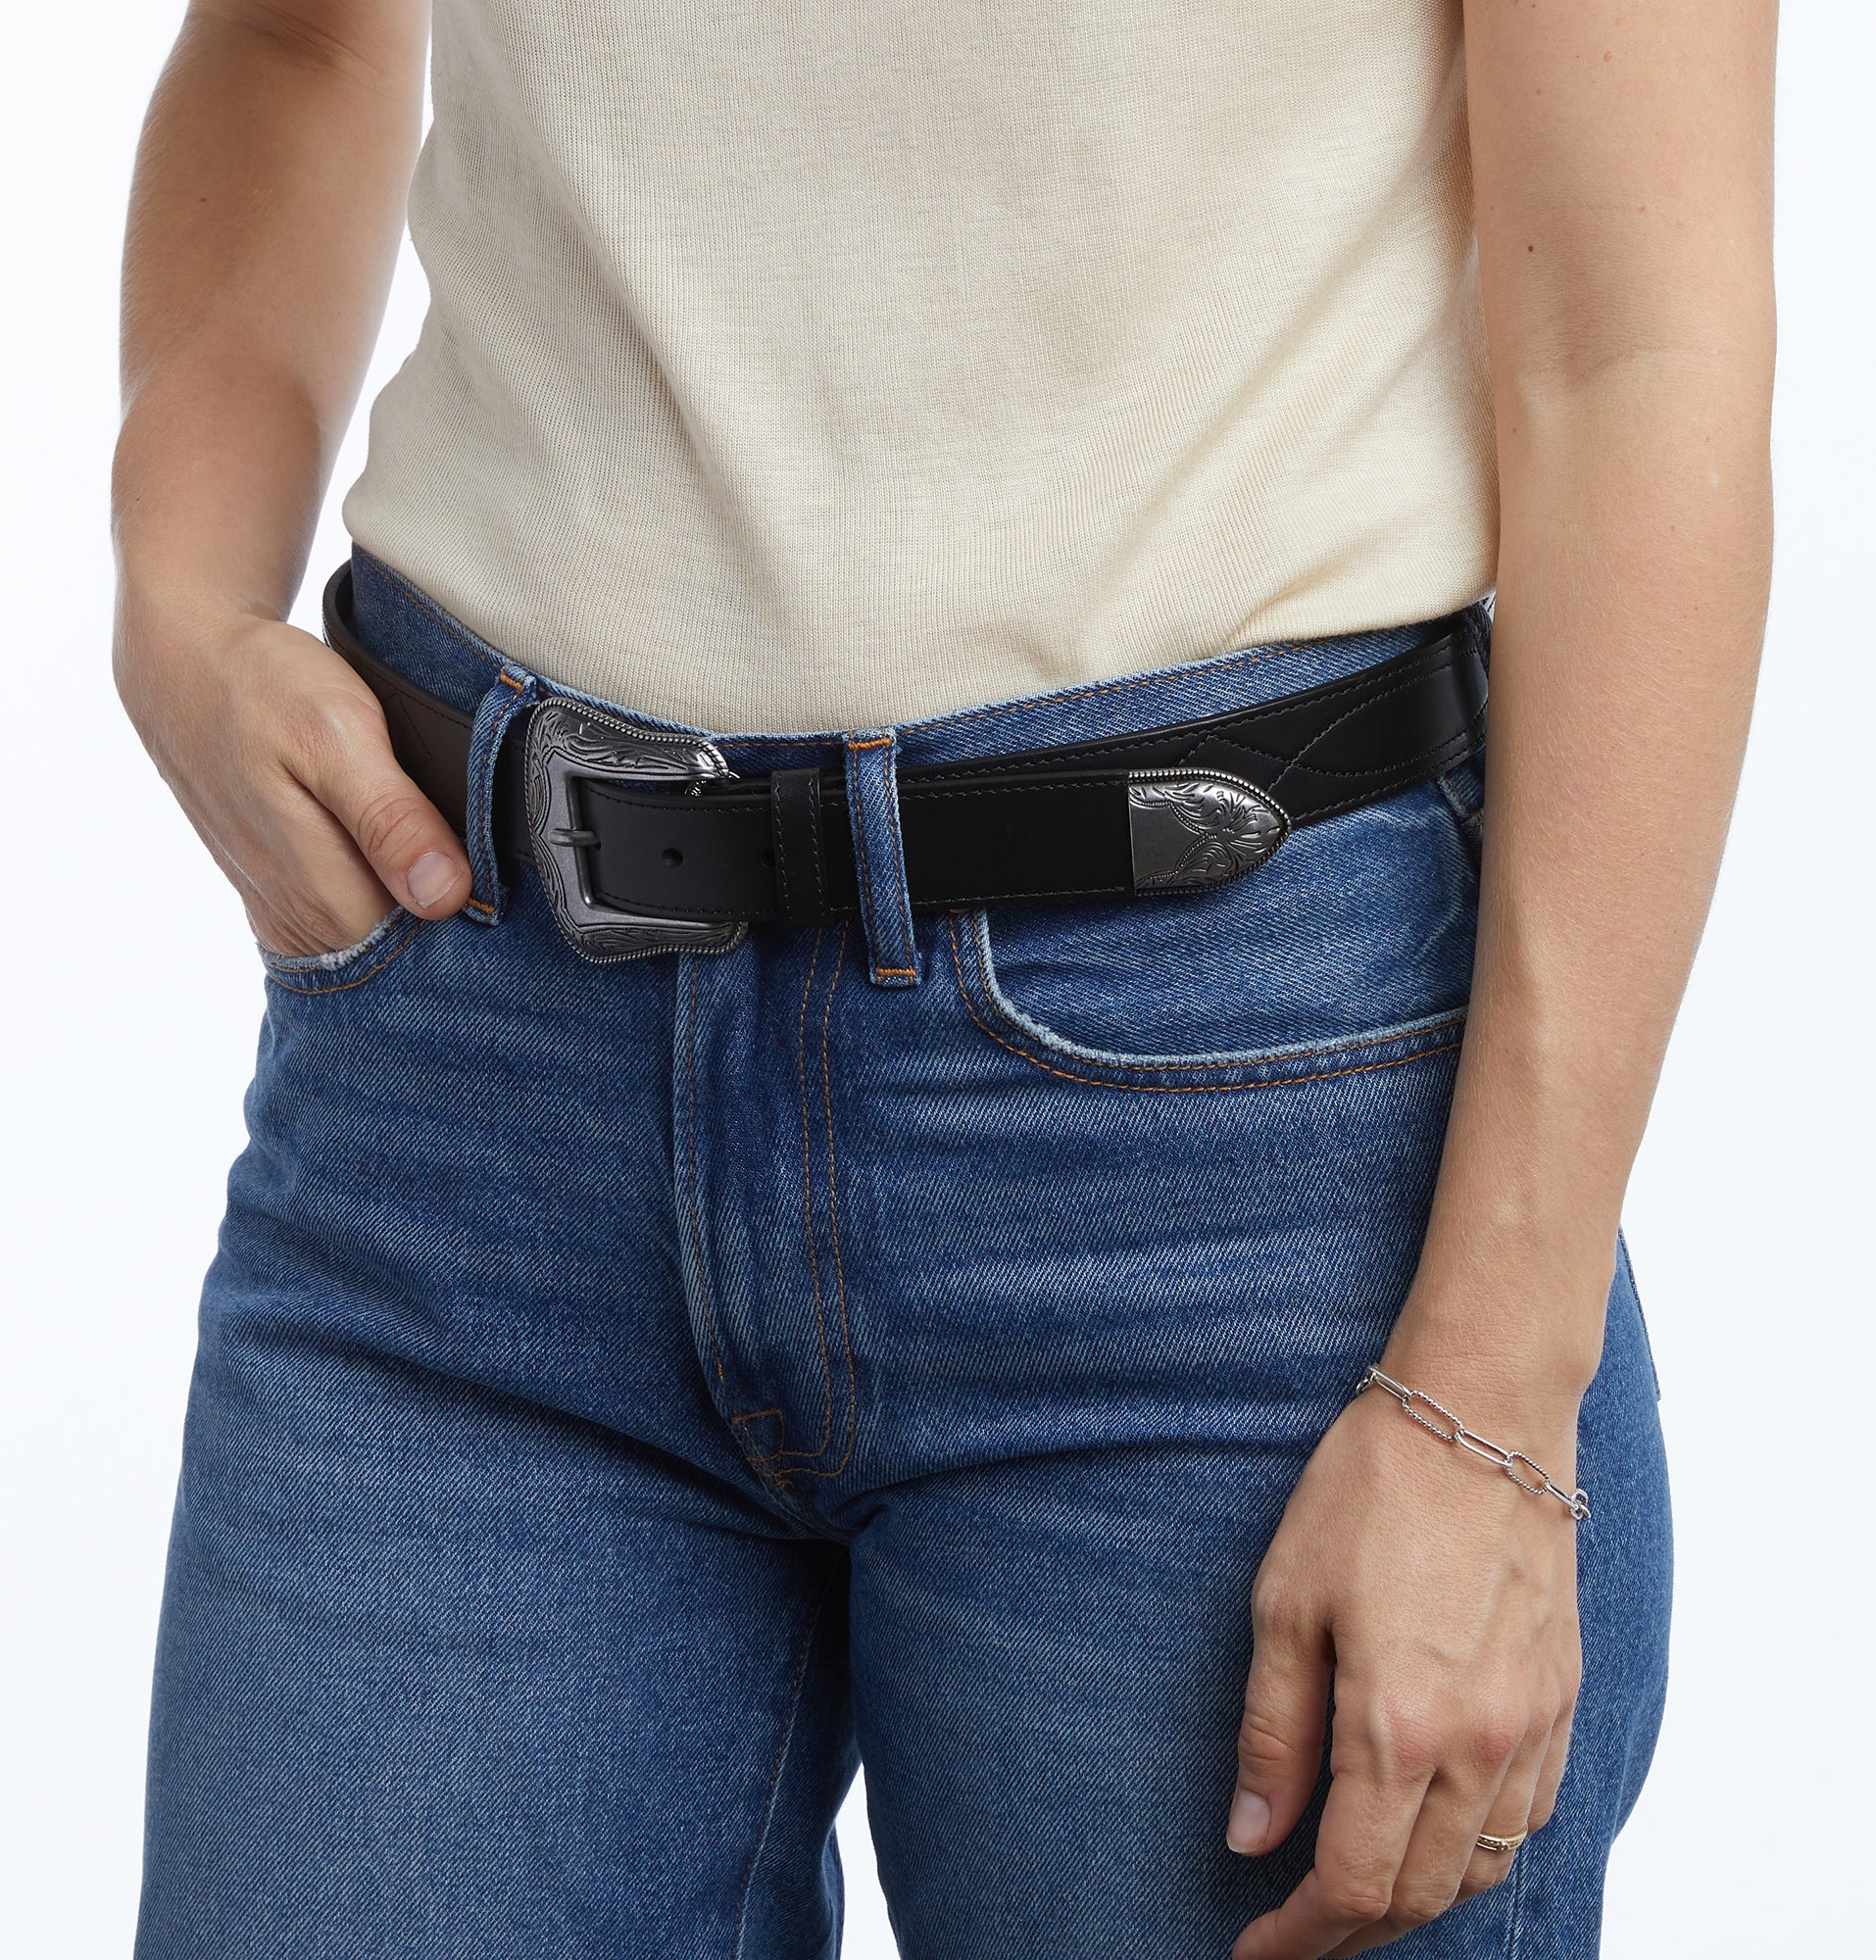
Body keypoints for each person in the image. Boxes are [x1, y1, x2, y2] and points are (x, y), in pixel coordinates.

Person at [112, 2, 1775, 1954]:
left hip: (1224, 1167)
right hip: (476, 1111)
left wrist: (1489, 1386)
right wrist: (179, 592)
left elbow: (1636, 350)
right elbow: (294, 39)